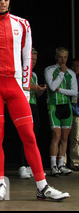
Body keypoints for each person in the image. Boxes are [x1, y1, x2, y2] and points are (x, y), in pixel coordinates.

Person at [0, 0, 69, 200]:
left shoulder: (22, 24)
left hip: (16, 84)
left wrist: (25, 87)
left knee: (29, 135)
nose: (3, 1)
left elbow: (27, 57)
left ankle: (42, 186)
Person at [45, 47, 77, 176]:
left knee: (65, 137)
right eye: (60, 57)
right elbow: (52, 87)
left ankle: (61, 164)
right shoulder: (49, 70)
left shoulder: (71, 73)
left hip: (66, 106)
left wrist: (60, 90)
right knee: (56, 135)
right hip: (54, 105)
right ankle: (53, 165)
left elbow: (75, 92)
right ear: (56, 57)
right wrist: (61, 73)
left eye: (65, 57)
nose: (62, 60)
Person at [19, 48, 46, 179]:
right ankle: (22, 166)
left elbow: (37, 94)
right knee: (24, 135)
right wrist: (31, 87)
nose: (34, 62)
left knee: (34, 134)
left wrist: (40, 90)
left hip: (33, 105)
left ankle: (30, 166)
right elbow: (18, 87)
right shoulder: (19, 71)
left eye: (35, 60)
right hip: (22, 105)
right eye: (32, 59)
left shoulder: (33, 74)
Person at [69, 58, 79, 170]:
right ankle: (62, 162)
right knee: (63, 137)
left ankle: (75, 162)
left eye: (78, 66)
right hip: (67, 109)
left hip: (77, 112)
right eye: (74, 66)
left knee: (75, 138)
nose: (75, 68)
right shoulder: (69, 77)